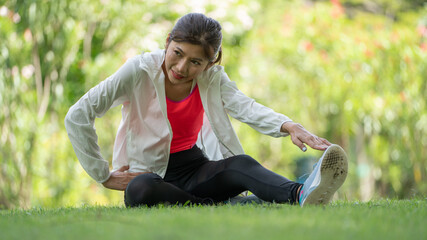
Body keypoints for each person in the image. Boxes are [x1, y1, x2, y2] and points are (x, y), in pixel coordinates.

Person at [64, 13, 348, 207]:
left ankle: (301, 193)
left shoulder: (212, 80)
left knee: (241, 164)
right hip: (151, 177)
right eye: (177, 53)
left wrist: (289, 126)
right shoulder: (138, 71)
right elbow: (78, 115)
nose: (182, 68)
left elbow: (246, 107)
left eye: (196, 62)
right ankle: (213, 205)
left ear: (210, 63)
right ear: (167, 42)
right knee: (139, 190)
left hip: (195, 169)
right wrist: (103, 174)